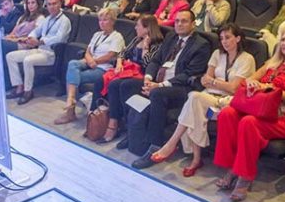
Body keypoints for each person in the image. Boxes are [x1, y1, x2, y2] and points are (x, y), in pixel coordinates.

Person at [214, 24, 285, 201]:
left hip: (283, 118)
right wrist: (254, 84)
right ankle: (232, 167)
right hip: (260, 110)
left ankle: (244, 177)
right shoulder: (272, 63)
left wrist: (269, 88)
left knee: (248, 123)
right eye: (282, 39)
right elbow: (247, 81)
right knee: (227, 114)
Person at [146, 24, 256, 176]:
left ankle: (185, 153)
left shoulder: (247, 59)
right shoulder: (217, 54)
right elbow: (204, 80)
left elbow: (234, 88)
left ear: (237, 38)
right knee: (194, 97)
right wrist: (215, 83)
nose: (224, 41)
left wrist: (214, 82)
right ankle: (186, 152)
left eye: (228, 37)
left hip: (229, 101)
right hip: (210, 97)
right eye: (222, 38)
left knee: (194, 106)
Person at [130, 10, 211, 168]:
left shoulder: (201, 45)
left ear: (193, 24)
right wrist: (148, 79)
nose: (179, 24)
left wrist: (159, 85)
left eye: (184, 21)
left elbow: (190, 73)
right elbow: (156, 60)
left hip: (182, 87)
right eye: (177, 21)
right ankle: (134, 131)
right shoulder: (171, 37)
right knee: (127, 84)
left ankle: (156, 144)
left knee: (157, 94)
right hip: (159, 82)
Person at [99, 15, 164, 143]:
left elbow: (148, 65)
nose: (135, 28)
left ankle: (126, 127)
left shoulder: (158, 44)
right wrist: (119, 64)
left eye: (138, 25)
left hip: (144, 76)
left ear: (147, 28)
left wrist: (146, 48)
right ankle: (112, 121)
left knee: (123, 85)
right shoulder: (136, 39)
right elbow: (123, 53)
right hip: (130, 72)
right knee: (110, 83)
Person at [55, 8, 125, 124]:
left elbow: (110, 55)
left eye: (105, 20)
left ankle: (70, 111)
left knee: (73, 77)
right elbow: (87, 51)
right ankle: (71, 99)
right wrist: (90, 60)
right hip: (90, 62)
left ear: (112, 21)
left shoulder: (117, 37)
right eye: (100, 20)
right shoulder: (97, 34)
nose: (102, 23)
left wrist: (95, 62)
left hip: (103, 68)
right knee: (72, 64)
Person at [6, 0, 72, 104]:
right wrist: (31, 38)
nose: (51, 7)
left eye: (54, 4)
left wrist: (40, 41)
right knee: (10, 56)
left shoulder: (65, 21)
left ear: (60, 4)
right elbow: (36, 31)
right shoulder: (48, 19)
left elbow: (59, 38)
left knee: (28, 60)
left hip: (52, 54)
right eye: (49, 4)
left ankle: (28, 91)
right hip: (40, 50)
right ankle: (19, 87)